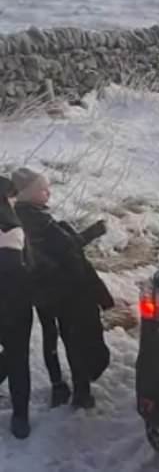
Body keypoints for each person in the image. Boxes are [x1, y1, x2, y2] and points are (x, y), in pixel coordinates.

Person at [13, 168, 114, 410]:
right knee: (75, 338)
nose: (48, 192)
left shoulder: (19, 217)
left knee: (51, 336)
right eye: (42, 189)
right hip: (65, 291)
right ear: (27, 193)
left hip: (41, 292)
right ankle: (81, 392)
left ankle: (59, 385)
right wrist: (94, 231)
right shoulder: (40, 221)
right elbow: (69, 248)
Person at [0, 175, 33, 438]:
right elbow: (21, 270)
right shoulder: (12, 229)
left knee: (11, 355)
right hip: (13, 305)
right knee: (17, 358)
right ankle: (20, 416)